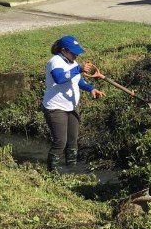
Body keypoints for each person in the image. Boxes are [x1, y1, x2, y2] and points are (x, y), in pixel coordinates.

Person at [42, 35, 105, 172]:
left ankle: (71, 171)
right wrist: (78, 69)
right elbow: (59, 78)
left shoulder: (73, 63)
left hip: (71, 107)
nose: (76, 55)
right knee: (60, 142)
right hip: (55, 108)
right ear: (64, 50)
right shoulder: (55, 62)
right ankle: (52, 173)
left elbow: (78, 81)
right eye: (73, 52)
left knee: (72, 142)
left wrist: (91, 89)